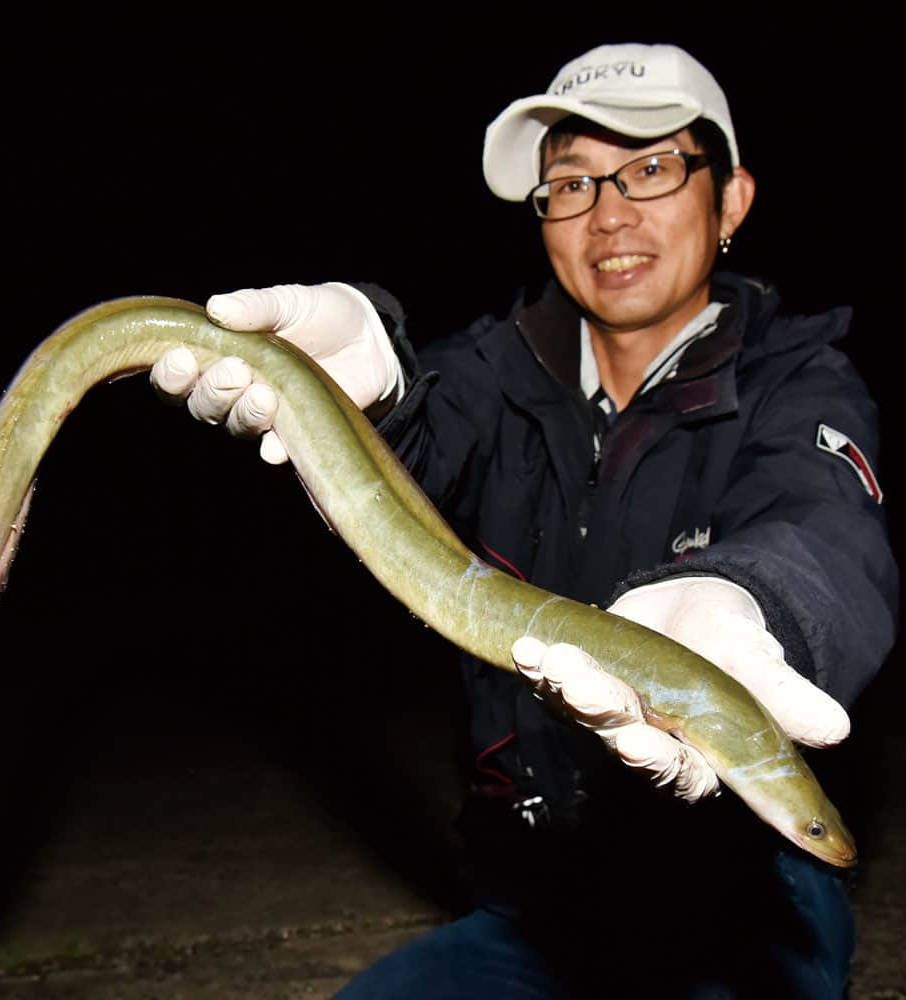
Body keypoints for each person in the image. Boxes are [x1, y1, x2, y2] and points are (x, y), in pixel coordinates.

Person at [150, 43, 897, 998]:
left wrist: (754, 602)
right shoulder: (495, 375)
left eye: (653, 168)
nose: (610, 213)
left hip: (743, 896)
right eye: (572, 183)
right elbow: (421, 432)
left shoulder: (801, 382)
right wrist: (370, 387)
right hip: (537, 894)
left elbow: (827, 525)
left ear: (734, 200)